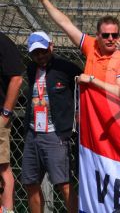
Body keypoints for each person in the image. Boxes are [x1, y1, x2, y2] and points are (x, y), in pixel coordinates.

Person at [21, 31, 81, 213]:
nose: (40, 56)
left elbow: (82, 88)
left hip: (56, 134)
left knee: (63, 183)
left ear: (51, 46)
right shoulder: (31, 69)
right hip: (33, 133)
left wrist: (77, 114)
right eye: (35, 53)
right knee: (30, 183)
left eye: (43, 51)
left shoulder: (67, 68)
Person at [32, 0, 120, 84]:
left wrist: (91, 80)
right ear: (97, 36)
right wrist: (43, 0)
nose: (110, 39)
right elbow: (65, 23)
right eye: (105, 35)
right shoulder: (92, 45)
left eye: (114, 35)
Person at [0, 32, 24, 213]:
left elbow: (17, 78)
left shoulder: (3, 41)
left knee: (2, 168)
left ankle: (7, 211)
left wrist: (5, 114)